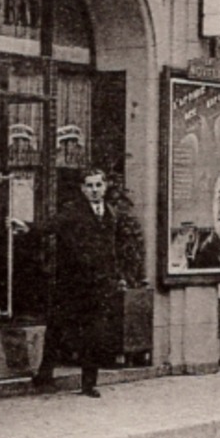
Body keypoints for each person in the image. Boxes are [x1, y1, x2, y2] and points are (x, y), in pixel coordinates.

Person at [32, 168, 141, 396]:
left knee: (95, 333)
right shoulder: (73, 211)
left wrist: (117, 276)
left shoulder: (110, 212)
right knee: (57, 328)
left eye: (98, 185)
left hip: (99, 285)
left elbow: (114, 249)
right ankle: (44, 375)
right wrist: (27, 227)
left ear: (105, 186)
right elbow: (50, 226)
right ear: (82, 188)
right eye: (89, 186)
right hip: (72, 283)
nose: (94, 190)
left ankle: (89, 384)